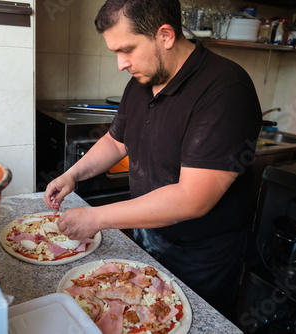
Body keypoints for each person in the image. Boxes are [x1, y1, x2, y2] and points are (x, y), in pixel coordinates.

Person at [43, 0, 261, 320]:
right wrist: (72, 174)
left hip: (201, 256)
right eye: (116, 52)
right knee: (139, 318)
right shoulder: (142, 81)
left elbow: (192, 199)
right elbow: (116, 142)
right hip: (147, 234)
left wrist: (96, 218)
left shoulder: (225, 89)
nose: (121, 63)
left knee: (188, 324)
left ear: (166, 35)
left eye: (127, 49)